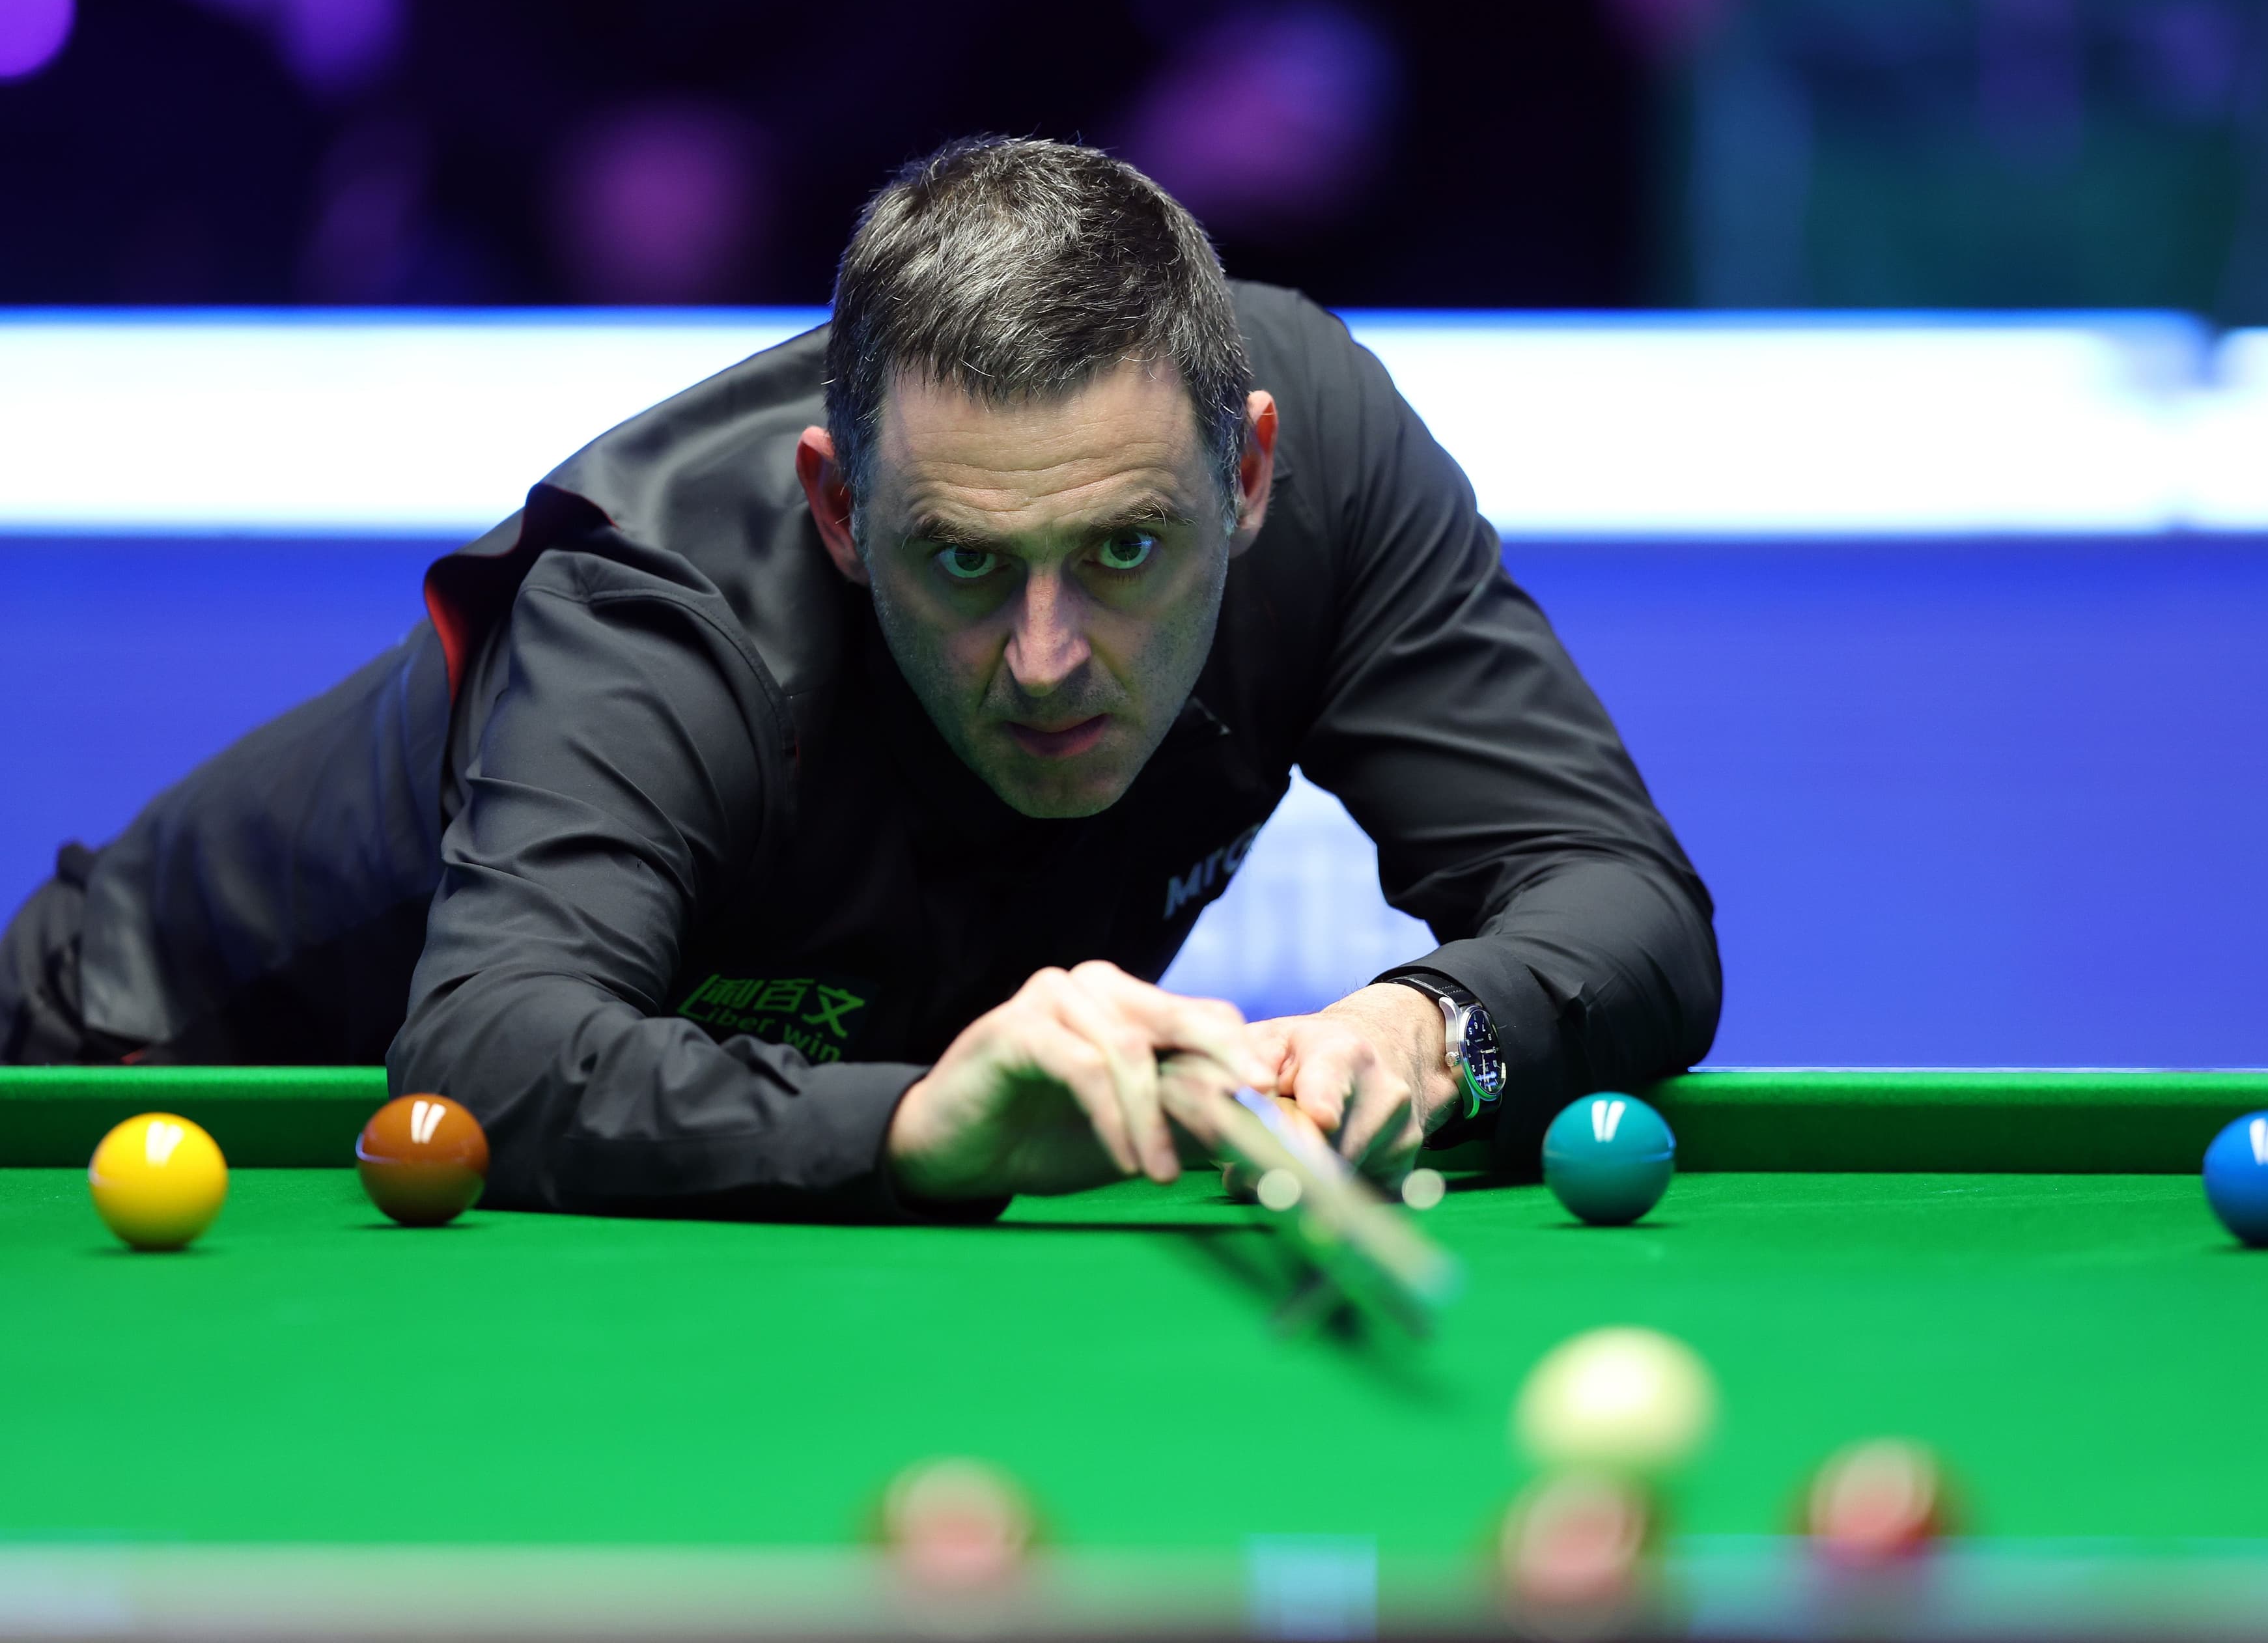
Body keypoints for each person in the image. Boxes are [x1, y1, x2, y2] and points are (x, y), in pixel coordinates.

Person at [0, 138, 1719, 1220]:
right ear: (837, 503)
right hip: (133, 1096)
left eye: (1125, 554)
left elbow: (1620, 898)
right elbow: (492, 1050)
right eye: (963, 561)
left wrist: (1434, 1027)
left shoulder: (1325, 450)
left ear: (1246, 478)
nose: (1049, 660)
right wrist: (914, 1124)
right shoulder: (659, 600)